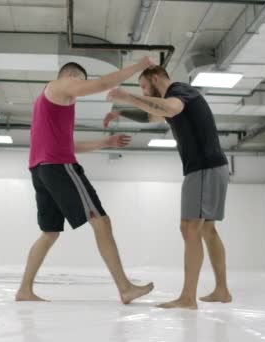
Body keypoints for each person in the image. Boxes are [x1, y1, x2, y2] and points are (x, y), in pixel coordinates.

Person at [16, 58, 157, 304]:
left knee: (49, 232)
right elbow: (102, 83)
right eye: (80, 82)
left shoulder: (49, 103)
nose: (80, 89)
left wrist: (105, 143)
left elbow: (68, 145)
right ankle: (125, 288)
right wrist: (140, 66)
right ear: (72, 77)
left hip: (41, 169)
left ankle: (24, 290)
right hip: (59, 167)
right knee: (101, 221)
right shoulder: (60, 86)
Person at [105, 66, 232, 309]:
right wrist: (122, 110)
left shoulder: (179, 91)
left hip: (203, 169)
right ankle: (222, 290)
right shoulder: (178, 95)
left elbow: (170, 108)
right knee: (207, 230)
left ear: (155, 78)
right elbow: (153, 115)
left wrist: (127, 96)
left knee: (189, 227)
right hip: (212, 167)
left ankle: (187, 297)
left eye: (143, 87)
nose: (143, 92)